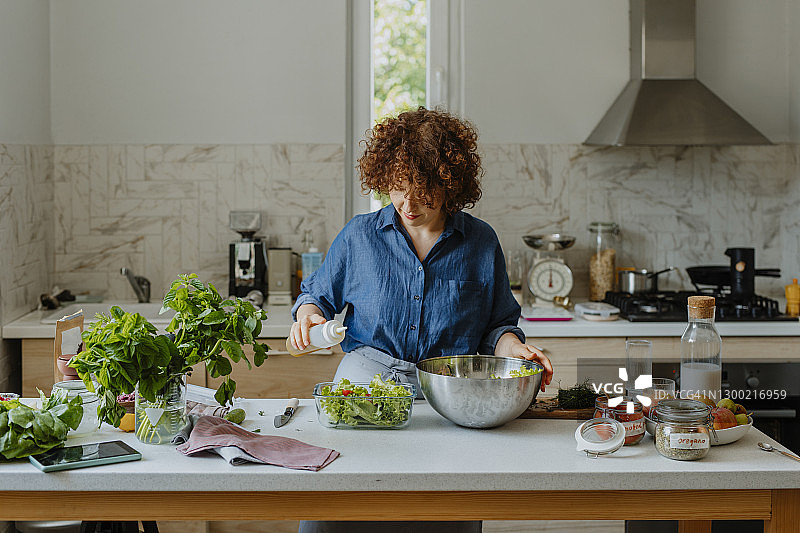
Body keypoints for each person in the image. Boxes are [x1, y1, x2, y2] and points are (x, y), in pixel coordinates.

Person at [291, 107, 553, 533]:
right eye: (397, 188)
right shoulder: (359, 236)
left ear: (450, 186)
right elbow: (314, 296)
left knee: (445, 510)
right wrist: (309, 316)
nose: (408, 204)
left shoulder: (481, 242)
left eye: (424, 190)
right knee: (337, 510)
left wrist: (515, 349)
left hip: (450, 396)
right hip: (362, 388)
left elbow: (498, 326)